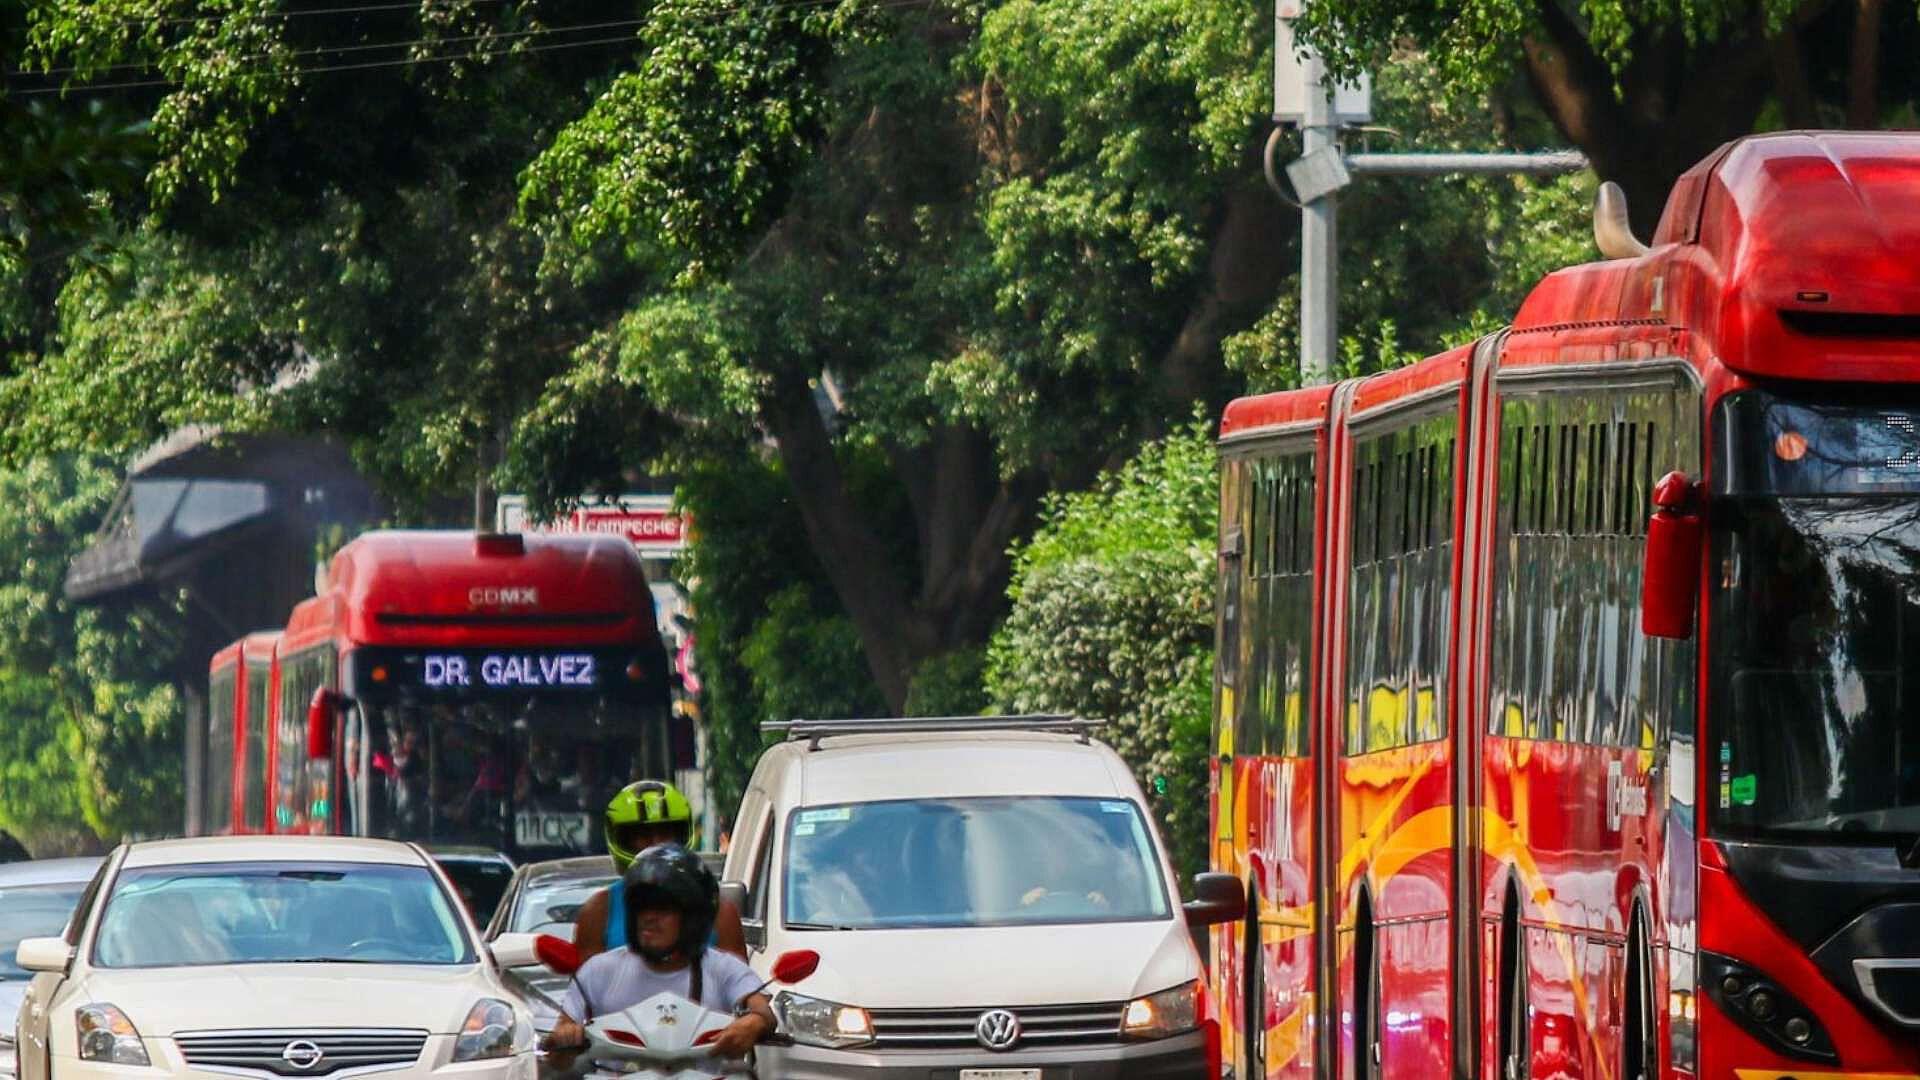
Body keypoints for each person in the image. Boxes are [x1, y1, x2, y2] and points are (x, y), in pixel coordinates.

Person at [542, 846, 775, 1061]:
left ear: (693, 917)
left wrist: (755, 1022)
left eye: (663, 908)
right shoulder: (598, 970)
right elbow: (561, 1043)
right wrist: (564, 1038)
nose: (649, 917)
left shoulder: (722, 967)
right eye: (641, 907)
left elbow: (762, 1009)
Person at [572, 779, 747, 960]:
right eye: (643, 835)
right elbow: (586, 984)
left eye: (665, 833)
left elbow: (741, 984)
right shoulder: (598, 912)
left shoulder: (720, 913)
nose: (655, 845)